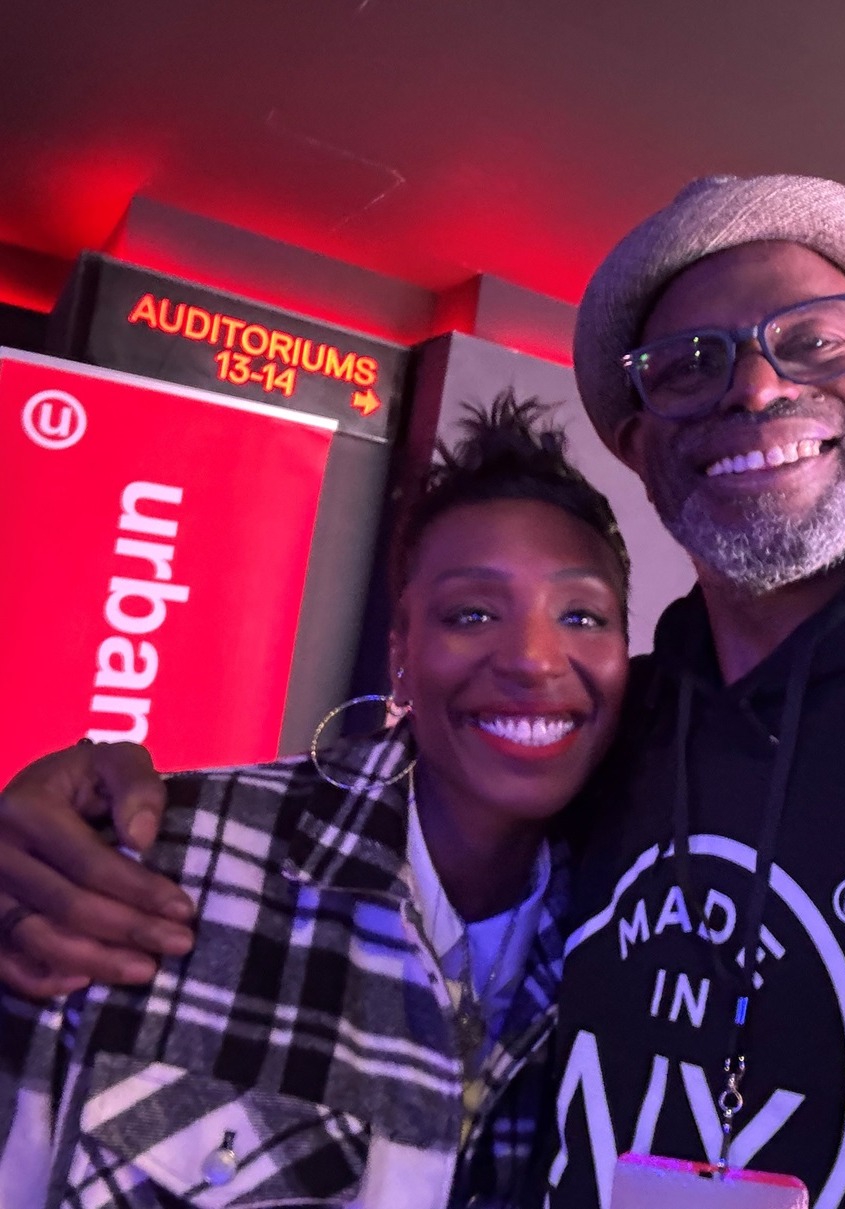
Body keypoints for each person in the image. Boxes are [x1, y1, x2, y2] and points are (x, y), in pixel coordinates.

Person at [4, 174, 845, 1208]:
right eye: (691, 363)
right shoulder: (605, 746)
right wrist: (80, 807)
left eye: (813, 338)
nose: (752, 389)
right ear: (638, 438)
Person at [0, 393, 631, 1209]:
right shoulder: (161, 863)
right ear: (401, 655)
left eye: (581, 615)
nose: (535, 659)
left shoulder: (628, 930)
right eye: (471, 613)